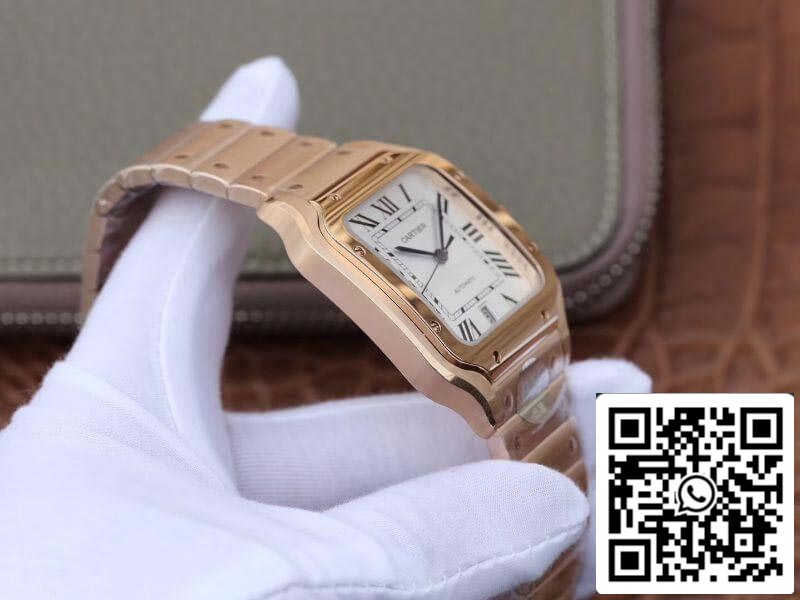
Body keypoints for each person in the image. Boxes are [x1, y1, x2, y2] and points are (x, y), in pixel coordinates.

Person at [0, 57, 651, 599]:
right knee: (637, 468)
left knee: (649, 468)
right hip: (668, 511)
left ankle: (694, 528)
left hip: (667, 488)